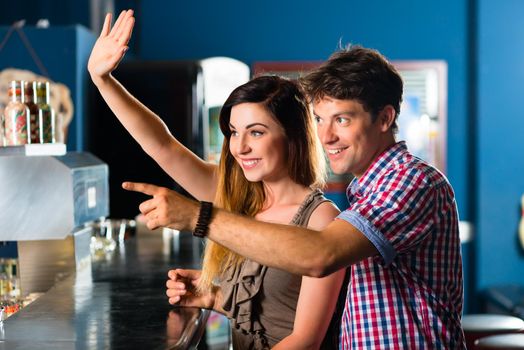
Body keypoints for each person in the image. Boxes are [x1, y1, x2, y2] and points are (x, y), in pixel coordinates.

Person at [125, 45, 466, 349]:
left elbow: (319, 255)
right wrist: (217, 295)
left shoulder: (411, 181)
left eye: (342, 119)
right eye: (319, 119)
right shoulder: (367, 191)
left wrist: (199, 217)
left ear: (385, 118)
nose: (326, 135)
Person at [88, 10, 346, 349]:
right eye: (234, 132)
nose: (239, 147)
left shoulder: (321, 219)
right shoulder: (236, 195)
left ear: (294, 137)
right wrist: (102, 80)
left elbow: (306, 340)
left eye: (256, 132)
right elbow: (163, 146)